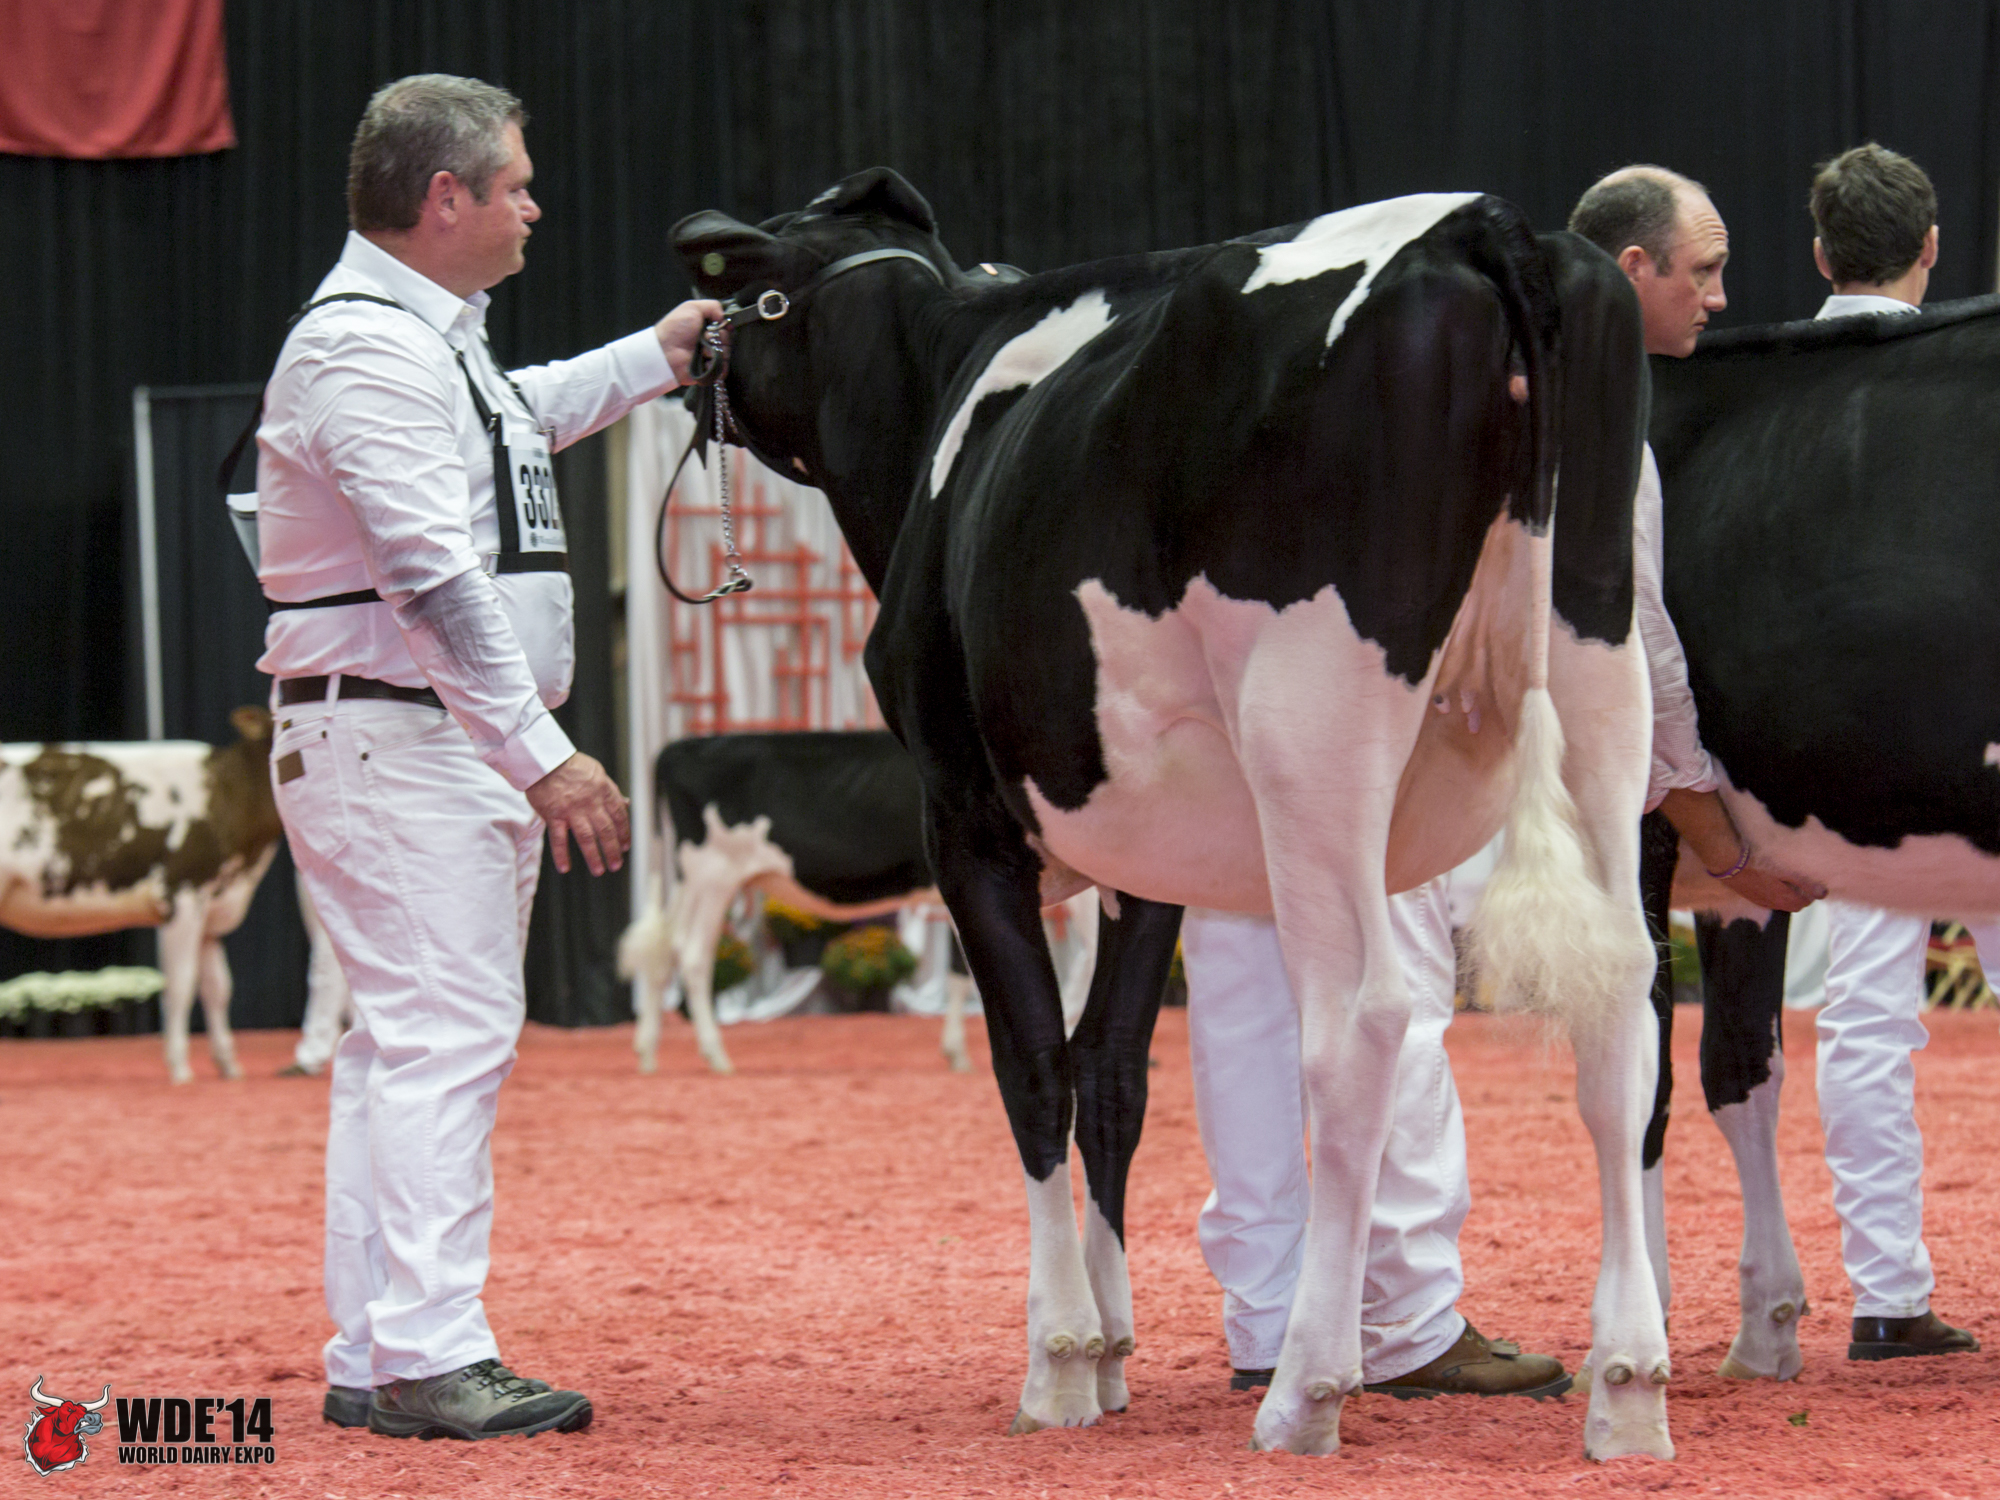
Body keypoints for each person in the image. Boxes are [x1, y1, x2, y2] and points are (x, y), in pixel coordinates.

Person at [1186, 166, 1832, 1401]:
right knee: (1389, 1007)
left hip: (1254, 739)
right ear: (1623, 273)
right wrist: (1705, 821)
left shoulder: (1334, 382)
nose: (1715, 297)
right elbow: (1624, 638)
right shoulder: (1564, 409)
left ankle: (1267, 1316)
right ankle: (1407, 1321)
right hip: (1414, 752)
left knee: (1254, 1008)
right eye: (1698, 271)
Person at [255, 73, 719, 1439]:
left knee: (407, 1045)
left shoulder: (422, 342)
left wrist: (655, 355)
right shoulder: (363, 350)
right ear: (444, 198)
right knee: (443, 1041)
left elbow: (518, 415)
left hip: (404, 732)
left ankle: (382, 1348)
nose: (534, 208)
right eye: (515, 185)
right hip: (399, 734)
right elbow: (427, 576)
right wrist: (544, 755)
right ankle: (428, 1353)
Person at [1797, 143, 1975, 1360]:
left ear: (1820, 256)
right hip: (1977, 725)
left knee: (1863, 1018)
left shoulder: (1765, 385)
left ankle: (1883, 1296)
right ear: (1929, 249)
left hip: (1836, 740)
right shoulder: (1970, 376)